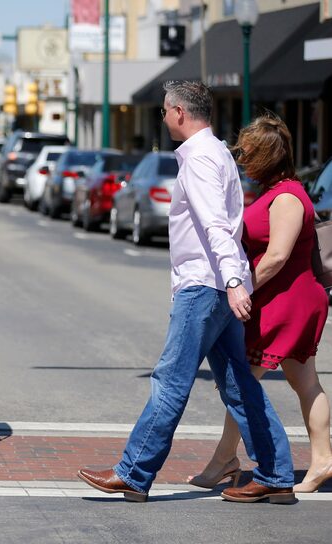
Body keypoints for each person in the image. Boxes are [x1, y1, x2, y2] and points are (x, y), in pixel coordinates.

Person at [77, 80, 295, 503]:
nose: (163, 118)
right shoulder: (216, 154)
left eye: (163, 111)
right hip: (215, 285)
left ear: (179, 112)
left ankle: (133, 472)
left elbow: (216, 223)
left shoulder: (198, 159)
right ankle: (276, 472)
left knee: (171, 381)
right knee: (237, 384)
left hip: (204, 285)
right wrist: (233, 280)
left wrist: (234, 281)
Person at [187, 115, 332, 494]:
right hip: (283, 299)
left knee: (244, 383)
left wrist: (240, 287)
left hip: (288, 302)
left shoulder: (286, 197)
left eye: (249, 155)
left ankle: (227, 460)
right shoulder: (278, 191)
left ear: (268, 157)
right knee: (301, 382)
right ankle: (320, 460)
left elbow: (277, 256)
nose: (242, 161)